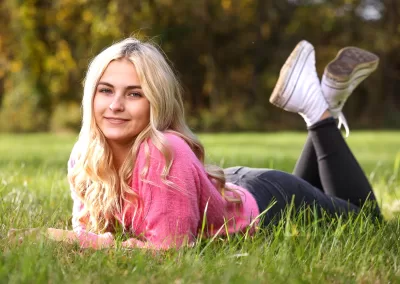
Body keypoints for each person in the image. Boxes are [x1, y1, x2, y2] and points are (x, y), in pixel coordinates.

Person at [9, 38, 381, 249]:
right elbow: (91, 231)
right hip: (227, 184)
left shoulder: (162, 152)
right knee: (325, 196)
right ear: (91, 96)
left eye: (134, 94)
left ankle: (317, 112)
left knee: (366, 220)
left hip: (270, 202)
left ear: (157, 101)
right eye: (105, 91)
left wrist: (58, 238)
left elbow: (170, 251)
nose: (115, 105)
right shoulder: (86, 152)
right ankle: (324, 102)